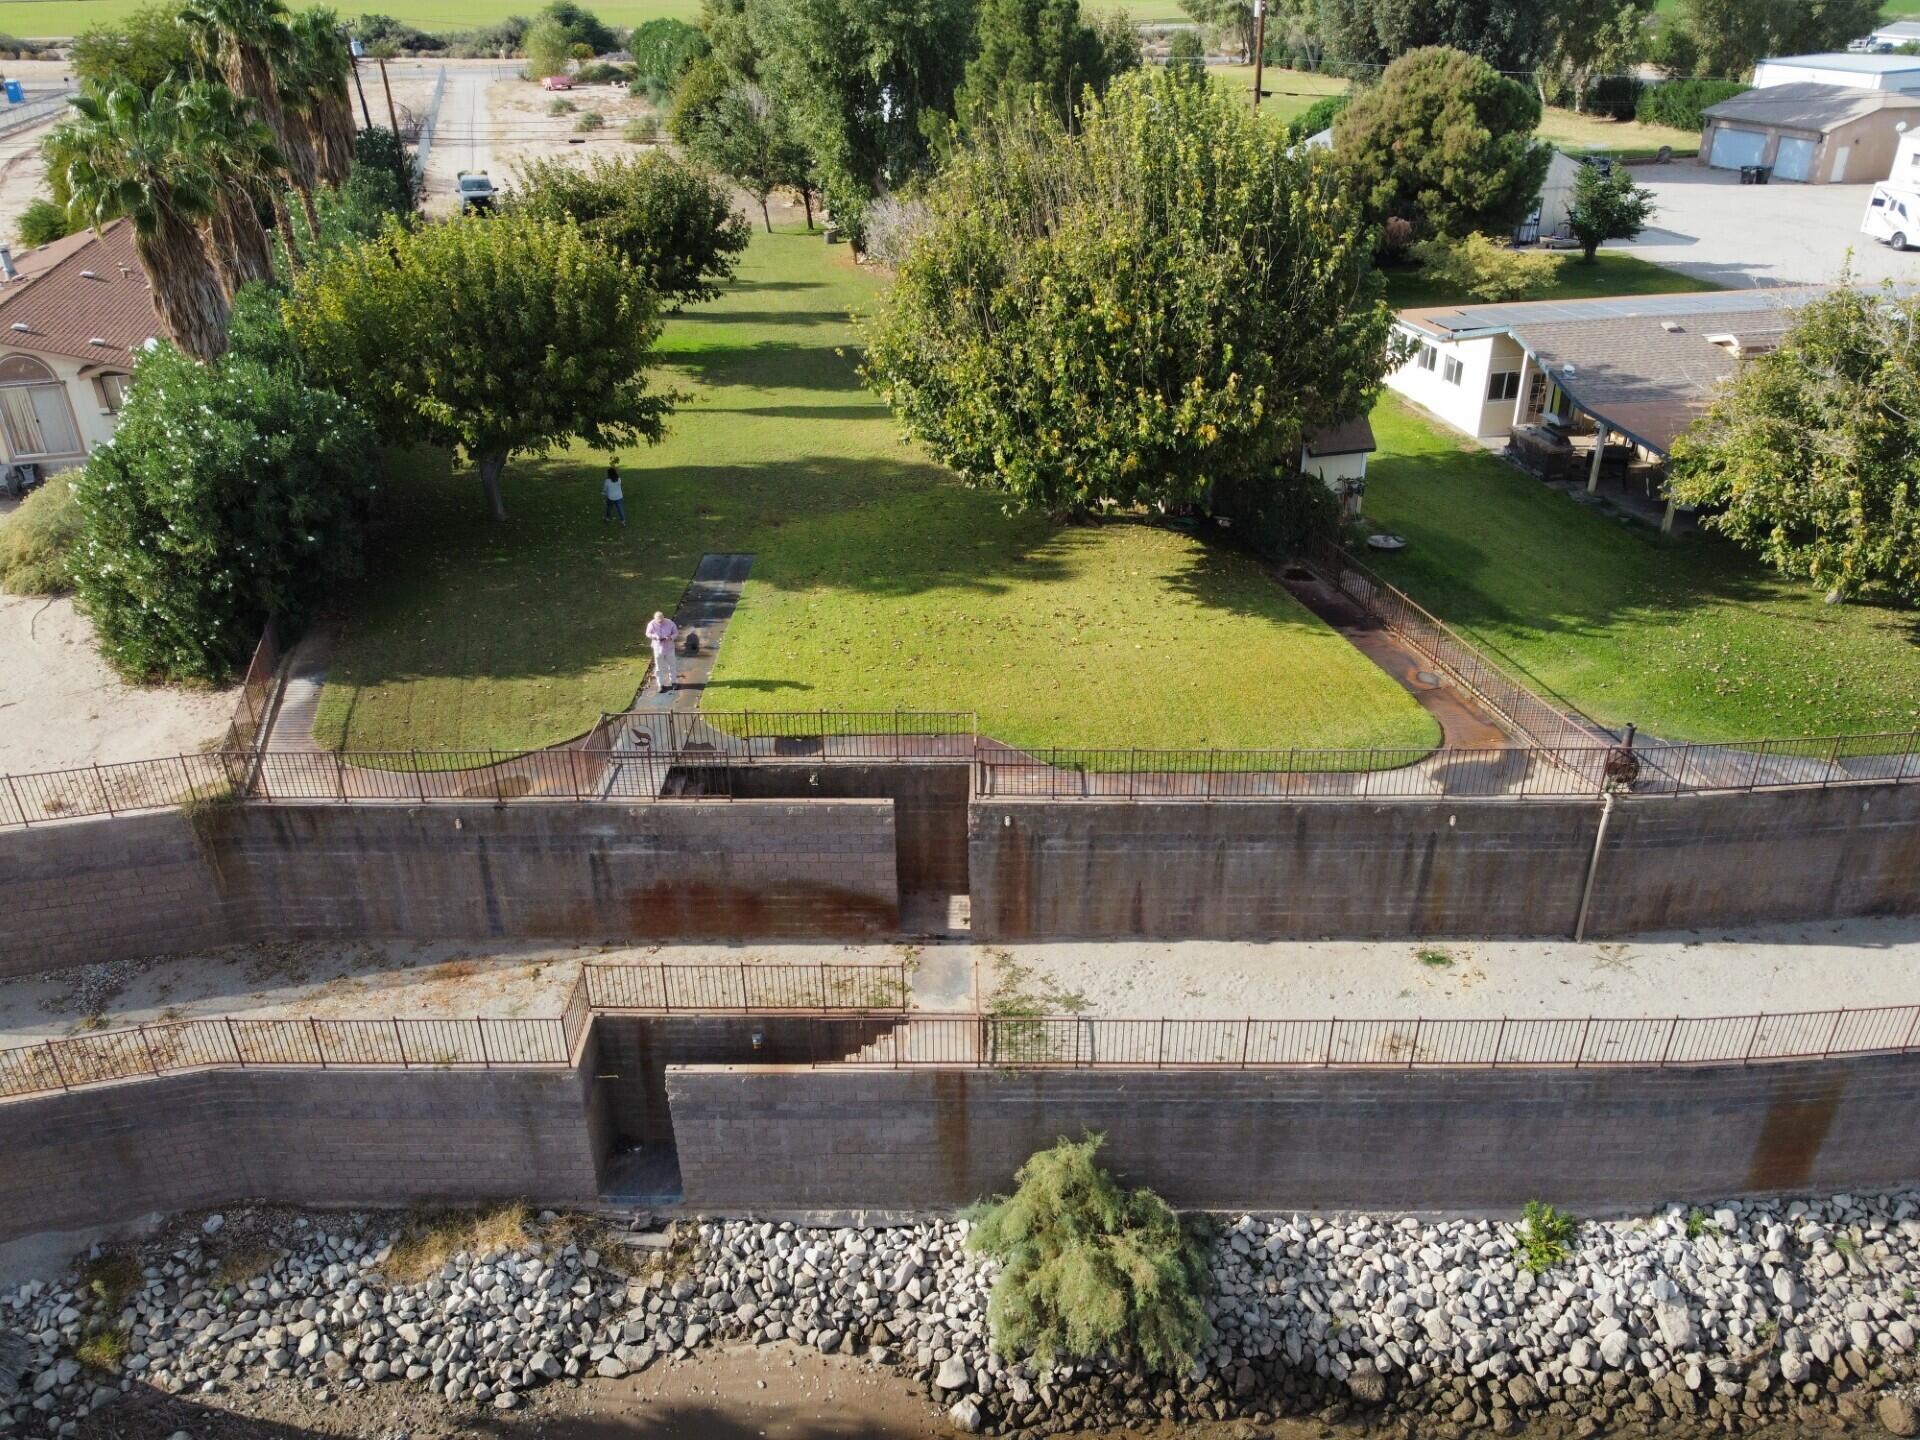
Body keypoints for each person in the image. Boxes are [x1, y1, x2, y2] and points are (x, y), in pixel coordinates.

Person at [646, 610, 679, 692]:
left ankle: (674, 682)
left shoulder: (670, 623)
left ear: (663, 617)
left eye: (662, 620)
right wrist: (655, 637)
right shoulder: (651, 624)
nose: (660, 622)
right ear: (655, 619)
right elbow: (648, 633)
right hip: (658, 648)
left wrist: (671, 637)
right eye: (658, 621)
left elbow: (676, 633)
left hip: (669, 648)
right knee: (658, 667)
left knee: (672, 665)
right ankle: (660, 685)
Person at [602, 459, 626, 525]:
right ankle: (623, 521)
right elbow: (617, 474)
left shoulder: (607, 481)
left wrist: (604, 493)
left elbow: (605, 490)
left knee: (609, 508)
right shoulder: (619, 480)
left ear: (609, 474)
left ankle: (607, 518)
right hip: (619, 497)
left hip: (611, 497)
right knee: (620, 509)